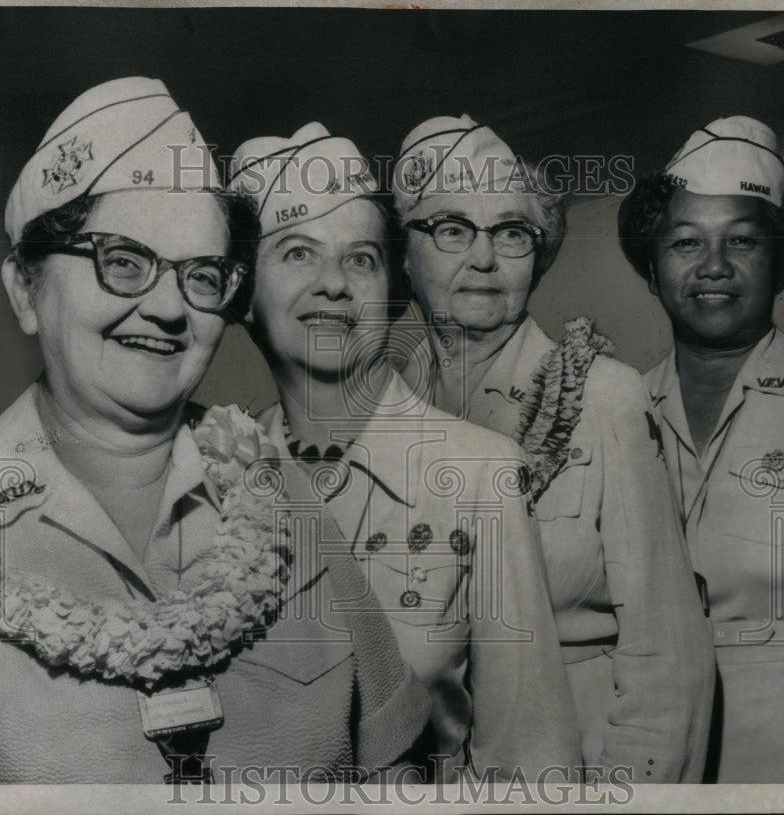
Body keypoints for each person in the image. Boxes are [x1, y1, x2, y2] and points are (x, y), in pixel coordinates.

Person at [0, 77, 429, 784]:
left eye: (202, 275)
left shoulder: (280, 490)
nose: (169, 309)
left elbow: (396, 763)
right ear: (25, 287)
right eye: (122, 262)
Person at [228, 122, 583, 781]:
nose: (334, 284)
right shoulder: (218, 473)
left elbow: (534, 763)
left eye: (361, 258)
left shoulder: (482, 473)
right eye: (299, 253)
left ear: (393, 291)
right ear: (244, 294)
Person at [395, 115, 715, 782]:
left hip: (580, 765)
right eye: (452, 229)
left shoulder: (603, 395)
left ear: (537, 255)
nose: (483, 259)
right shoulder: (386, 413)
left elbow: (669, 657)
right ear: (404, 254)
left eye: (511, 233)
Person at [618, 116, 784, 783]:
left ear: (781, 262)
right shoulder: (619, 413)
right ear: (652, 269)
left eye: (742, 241)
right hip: (668, 767)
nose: (713, 268)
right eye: (684, 243)